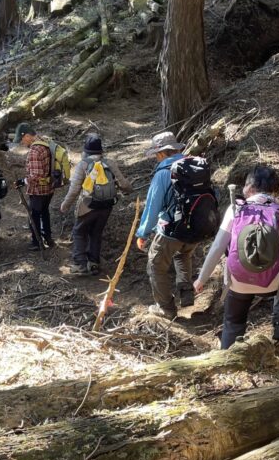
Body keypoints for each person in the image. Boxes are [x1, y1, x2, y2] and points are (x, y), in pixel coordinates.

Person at [194, 165, 279, 349]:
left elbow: (218, 247)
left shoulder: (235, 210)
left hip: (237, 281)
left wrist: (201, 279)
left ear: (250, 187)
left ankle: (228, 349)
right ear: (275, 189)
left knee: (233, 320)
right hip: (272, 280)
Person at [135, 131, 196, 319]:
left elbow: (153, 207)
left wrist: (143, 233)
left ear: (162, 153)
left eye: (156, 154)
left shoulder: (163, 173)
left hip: (171, 230)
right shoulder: (195, 165)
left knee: (155, 265)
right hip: (196, 227)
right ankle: (186, 293)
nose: (155, 157)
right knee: (182, 253)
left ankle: (166, 309)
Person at [60, 135, 131, 275]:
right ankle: (93, 264)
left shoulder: (83, 164)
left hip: (88, 206)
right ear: (101, 150)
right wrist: (130, 190)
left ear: (85, 150)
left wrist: (65, 205)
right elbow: (124, 185)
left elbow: (74, 190)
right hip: (106, 206)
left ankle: (80, 264)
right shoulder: (109, 163)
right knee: (96, 233)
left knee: (79, 232)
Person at [13, 122, 58, 249]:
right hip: (50, 187)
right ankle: (48, 239)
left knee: (34, 215)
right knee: (44, 212)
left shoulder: (34, 151)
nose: (22, 142)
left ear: (27, 136)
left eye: (22, 139)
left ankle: (37, 242)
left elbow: (36, 175)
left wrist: (22, 182)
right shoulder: (45, 141)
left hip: (38, 190)